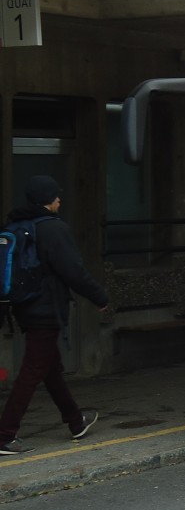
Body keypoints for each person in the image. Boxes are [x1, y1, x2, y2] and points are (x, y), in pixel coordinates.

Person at [0, 176, 109, 455]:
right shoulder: (52, 229)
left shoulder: (16, 225)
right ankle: (4, 434)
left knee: (51, 370)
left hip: (25, 307)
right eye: (56, 195)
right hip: (46, 308)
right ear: (47, 199)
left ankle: (75, 421)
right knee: (33, 370)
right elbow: (73, 270)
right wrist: (100, 298)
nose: (60, 199)